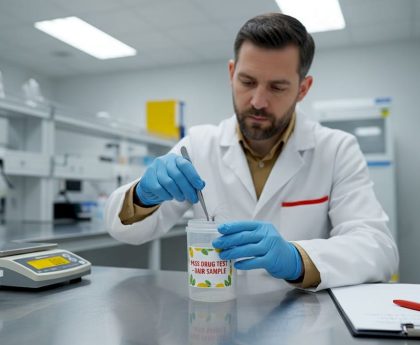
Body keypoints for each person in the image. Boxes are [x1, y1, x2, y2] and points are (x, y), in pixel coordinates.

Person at [105, 13, 398, 291]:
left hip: (302, 319)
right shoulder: (197, 144)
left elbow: (378, 248)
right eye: (247, 82)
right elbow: (126, 231)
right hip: (216, 315)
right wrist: (142, 195)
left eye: (278, 87)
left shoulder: (336, 149)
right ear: (232, 73)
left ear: (303, 89)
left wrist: (297, 259)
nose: (258, 101)